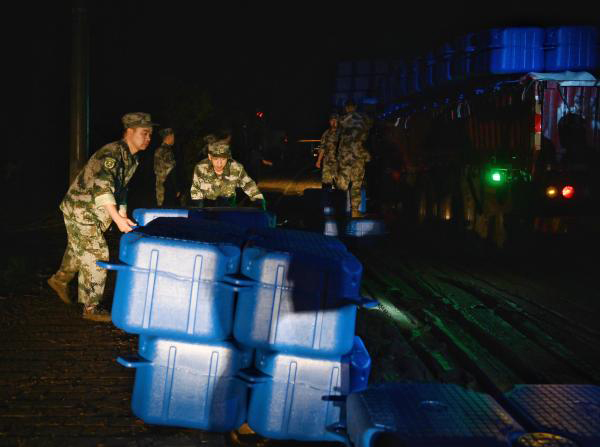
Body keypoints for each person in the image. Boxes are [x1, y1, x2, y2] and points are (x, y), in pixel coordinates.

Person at [47, 112, 155, 322]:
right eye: (144, 133)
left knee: (78, 249)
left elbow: (121, 189)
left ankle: (59, 280)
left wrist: (122, 215)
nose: (149, 138)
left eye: (150, 134)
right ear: (129, 132)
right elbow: (103, 187)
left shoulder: (132, 158)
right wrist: (116, 218)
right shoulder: (112, 154)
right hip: (81, 208)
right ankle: (91, 307)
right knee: (97, 251)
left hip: (91, 211)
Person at [190, 141, 264, 206]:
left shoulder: (235, 167)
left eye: (223, 159)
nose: (219, 163)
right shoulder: (201, 168)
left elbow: (248, 184)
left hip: (228, 209)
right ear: (210, 157)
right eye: (215, 159)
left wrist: (259, 200)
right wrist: (199, 209)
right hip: (207, 209)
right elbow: (196, 189)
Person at [336, 99, 372, 217]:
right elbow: (369, 133)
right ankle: (355, 211)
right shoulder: (365, 119)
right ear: (356, 107)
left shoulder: (341, 120)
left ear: (346, 108)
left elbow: (336, 136)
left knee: (342, 185)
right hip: (359, 157)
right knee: (356, 185)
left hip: (345, 157)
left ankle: (341, 211)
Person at [153, 127, 178, 206]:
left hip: (159, 185)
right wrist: (176, 188)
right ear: (169, 137)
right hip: (168, 186)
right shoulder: (167, 151)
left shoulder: (158, 150)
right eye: (173, 136)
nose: (174, 139)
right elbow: (172, 171)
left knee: (161, 207)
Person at [316, 112, 340, 189]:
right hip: (327, 163)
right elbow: (322, 148)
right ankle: (326, 200)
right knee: (326, 185)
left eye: (335, 120)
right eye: (332, 120)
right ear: (329, 122)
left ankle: (338, 200)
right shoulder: (326, 133)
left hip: (339, 164)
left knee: (339, 186)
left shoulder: (342, 133)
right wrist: (318, 161)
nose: (333, 122)